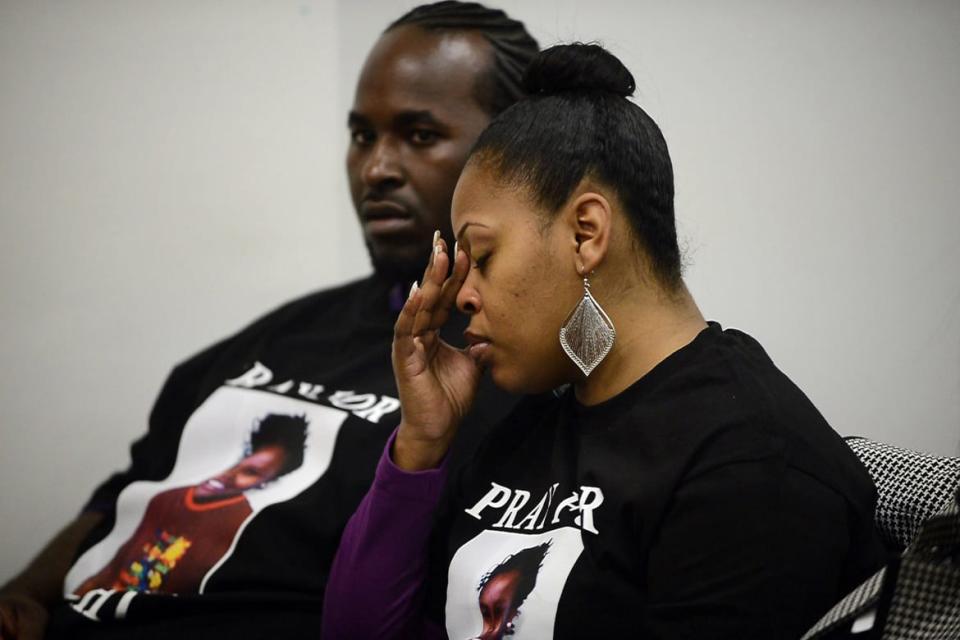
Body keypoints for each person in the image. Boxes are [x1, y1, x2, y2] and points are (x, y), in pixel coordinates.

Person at [0, 3, 538, 639]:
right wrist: (23, 595)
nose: (376, 169)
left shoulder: (513, 371)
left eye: (418, 135)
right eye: (363, 136)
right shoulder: (280, 333)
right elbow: (123, 497)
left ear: (511, 158)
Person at [321, 43, 887, 639]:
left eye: (482, 257)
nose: (461, 296)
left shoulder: (750, 464)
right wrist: (421, 442)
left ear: (586, 234)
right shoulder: (527, 425)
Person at [73, 413, 309, 596]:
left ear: (264, 484)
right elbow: (110, 562)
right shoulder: (167, 498)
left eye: (251, 472)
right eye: (239, 458)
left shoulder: (241, 521)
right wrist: (35, 597)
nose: (228, 472)